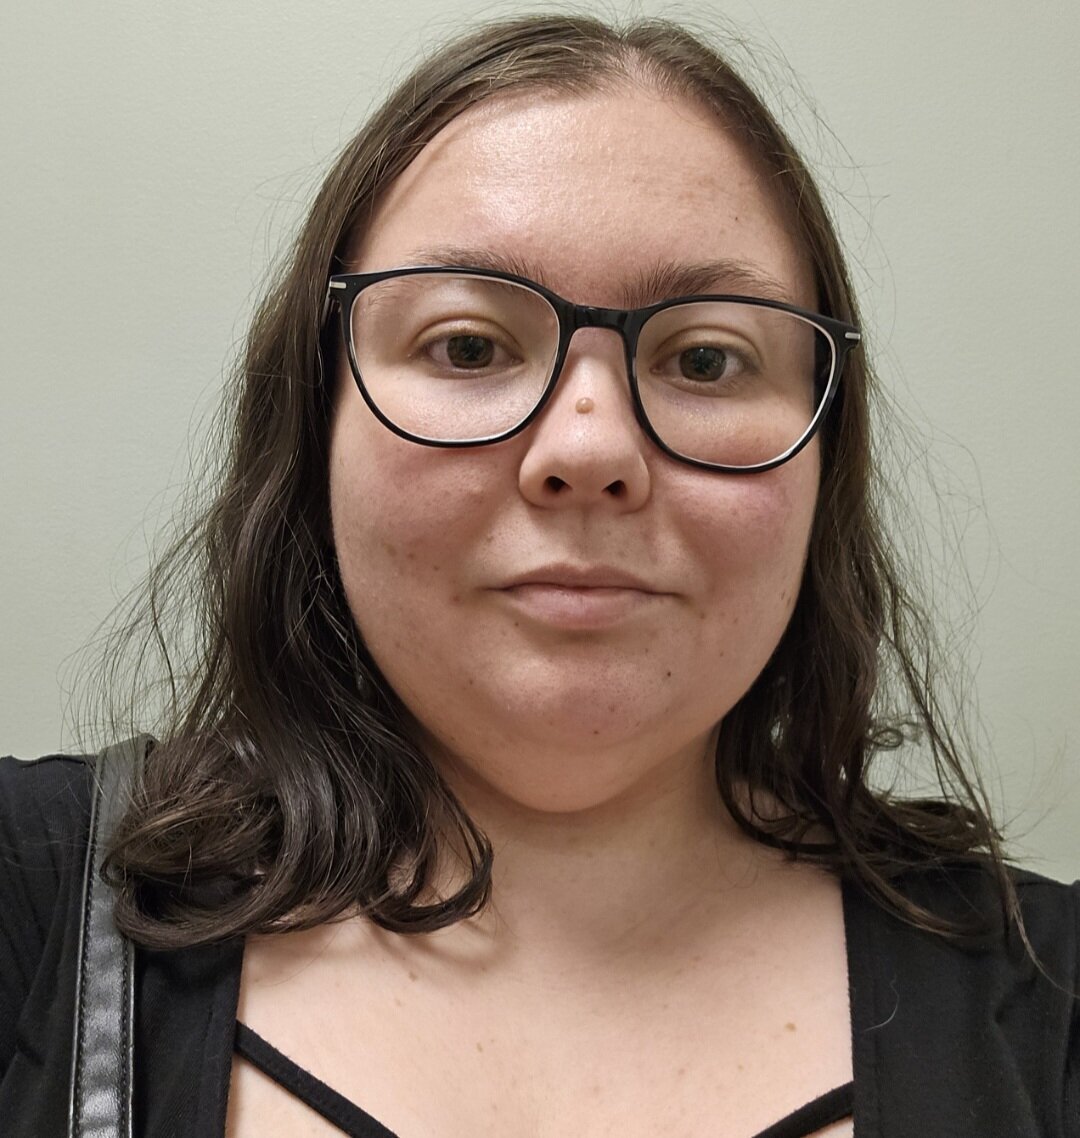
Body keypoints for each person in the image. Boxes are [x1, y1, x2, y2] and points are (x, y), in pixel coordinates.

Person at [1, 13, 1076, 1138]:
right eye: (468, 346)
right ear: (314, 417)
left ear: (824, 454)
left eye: (705, 358)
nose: (589, 448)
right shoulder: (33, 901)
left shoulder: (1051, 1011)